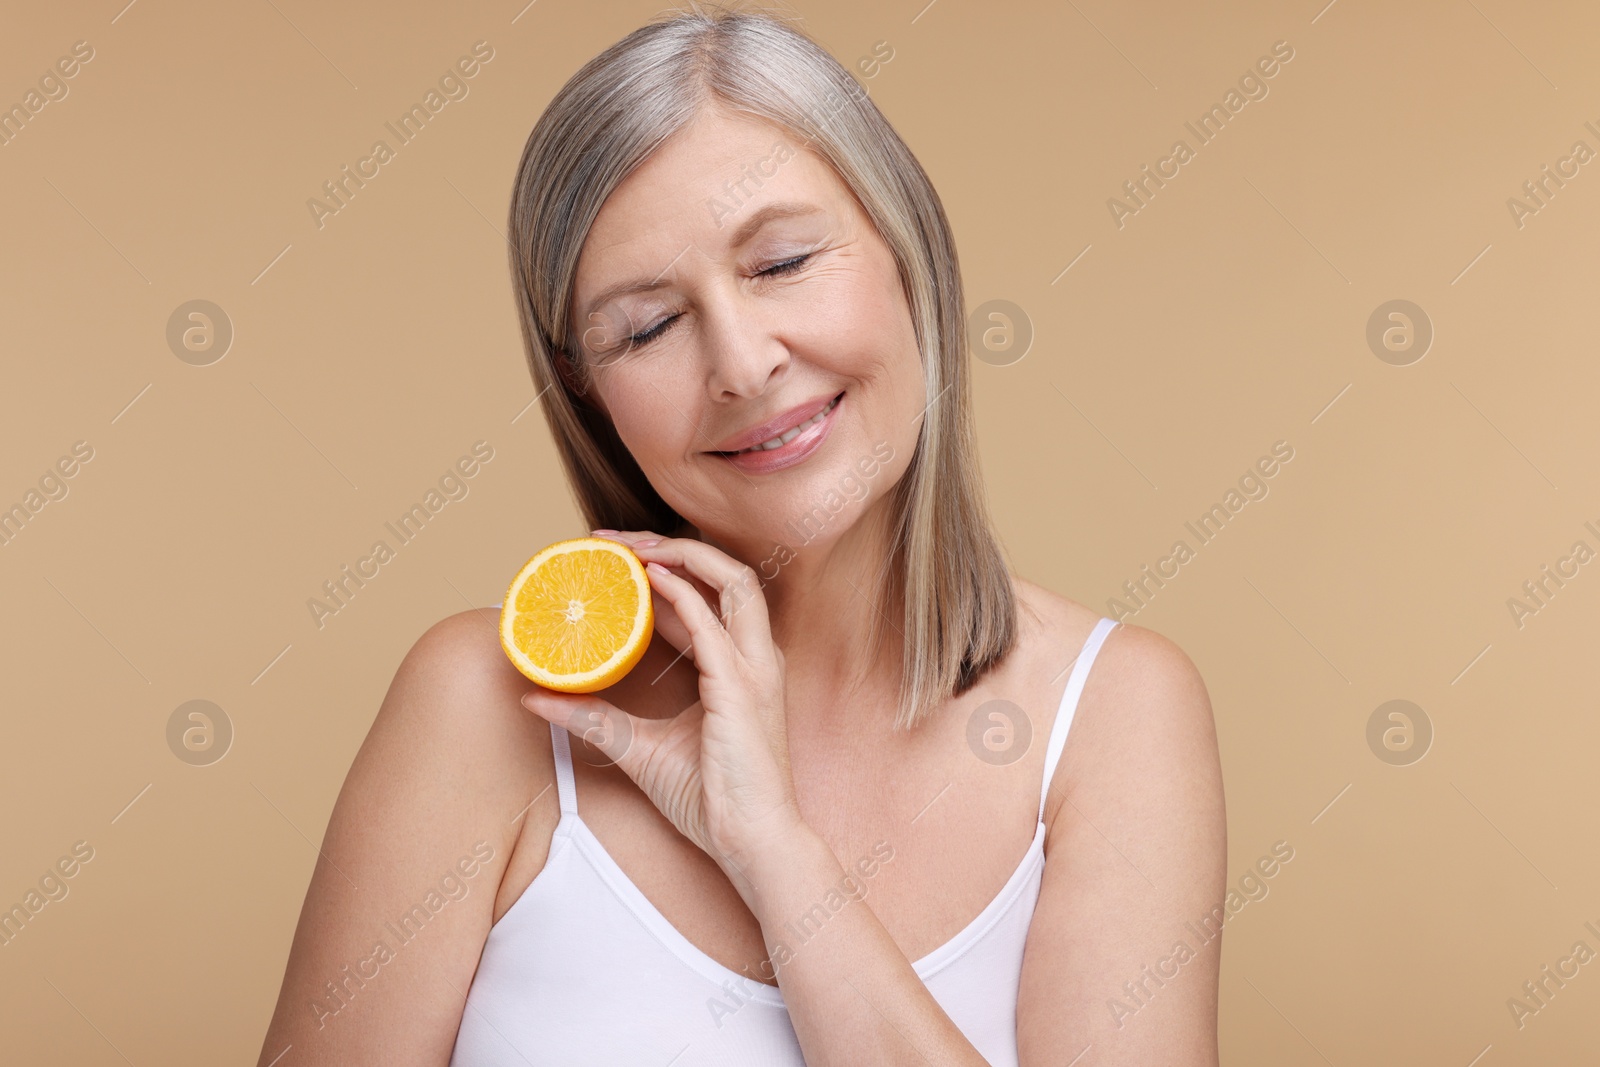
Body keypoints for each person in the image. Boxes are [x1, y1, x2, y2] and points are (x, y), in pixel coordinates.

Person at [256, 7, 1224, 1065]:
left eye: (782, 262)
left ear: (906, 246)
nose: (742, 363)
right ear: (589, 390)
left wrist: (771, 849)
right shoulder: (487, 709)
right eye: (648, 326)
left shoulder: (1114, 715)